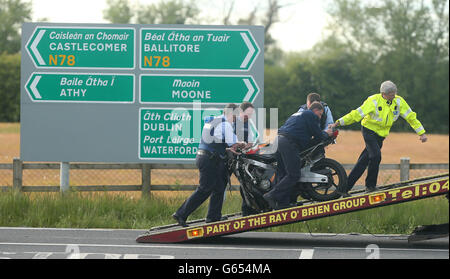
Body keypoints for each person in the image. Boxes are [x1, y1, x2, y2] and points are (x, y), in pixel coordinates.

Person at [329, 80, 427, 194]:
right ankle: (370, 186)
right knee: (375, 156)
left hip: (381, 136)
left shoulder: (399, 101)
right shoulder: (373, 101)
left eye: (395, 93)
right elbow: (355, 114)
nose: (394, 96)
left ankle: (344, 189)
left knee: (363, 161)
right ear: (383, 94)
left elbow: (411, 117)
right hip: (369, 131)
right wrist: (338, 123)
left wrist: (421, 133)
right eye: (391, 94)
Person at [172, 103, 246, 227]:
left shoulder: (212, 120)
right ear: (230, 114)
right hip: (209, 160)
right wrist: (242, 143)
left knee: (219, 187)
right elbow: (233, 143)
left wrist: (227, 149)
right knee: (205, 189)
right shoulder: (225, 124)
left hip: (204, 156)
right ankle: (181, 214)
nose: (235, 119)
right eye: (235, 117)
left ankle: (213, 216)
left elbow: (213, 142)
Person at [263, 102, 333, 209]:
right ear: (315, 110)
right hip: (289, 143)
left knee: (282, 173)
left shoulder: (297, 114)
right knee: (294, 174)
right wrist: (326, 133)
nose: (319, 118)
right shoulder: (310, 115)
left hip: (278, 140)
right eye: (320, 114)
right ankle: (272, 195)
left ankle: (282, 204)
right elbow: (318, 135)